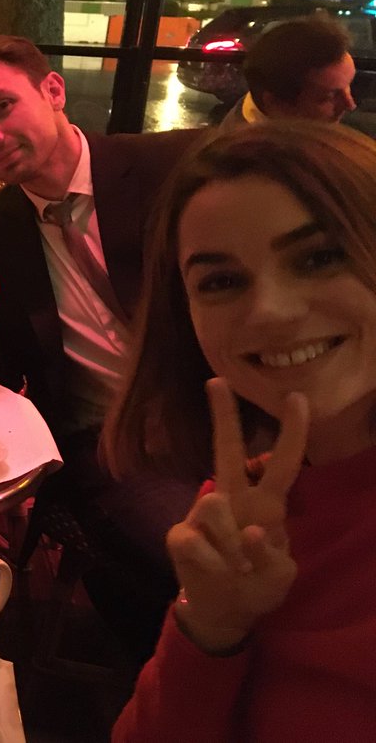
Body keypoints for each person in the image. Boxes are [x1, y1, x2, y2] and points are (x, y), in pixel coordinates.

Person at [0, 34, 207, 658]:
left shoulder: (171, 167)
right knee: (211, 561)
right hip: (111, 447)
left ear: (53, 90)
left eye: (1, 107)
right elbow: (1, 376)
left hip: (224, 416)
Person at [103, 121, 376, 740]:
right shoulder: (239, 510)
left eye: (318, 257)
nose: (273, 310)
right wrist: (212, 626)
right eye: (222, 281)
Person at [219, 15, 357, 129]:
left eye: (349, 84)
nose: (350, 105)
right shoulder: (247, 151)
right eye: (328, 97)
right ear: (275, 103)